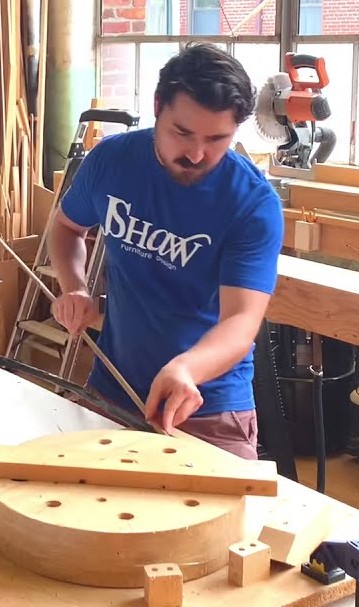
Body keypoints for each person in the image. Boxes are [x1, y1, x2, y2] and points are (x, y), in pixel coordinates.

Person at [47, 43, 284, 459]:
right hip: (114, 387)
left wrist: (186, 368)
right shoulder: (112, 162)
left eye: (217, 139)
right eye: (183, 133)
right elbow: (66, 228)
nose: (196, 154)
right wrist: (76, 288)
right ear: (158, 106)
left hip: (206, 403)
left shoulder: (252, 203)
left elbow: (242, 321)